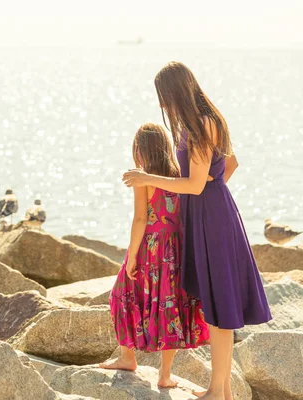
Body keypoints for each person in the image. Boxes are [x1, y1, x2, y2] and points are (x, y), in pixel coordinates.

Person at [123, 61, 272, 400]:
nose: (162, 105)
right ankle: (225, 391)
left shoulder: (203, 124)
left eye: (164, 97)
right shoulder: (200, 123)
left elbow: (192, 184)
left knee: (220, 309)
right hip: (208, 214)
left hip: (212, 221)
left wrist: (150, 179)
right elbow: (230, 163)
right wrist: (212, 186)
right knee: (215, 306)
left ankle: (218, 393)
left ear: (176, 91)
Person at [101, 123, 209, 388]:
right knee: (168, 305)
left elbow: (140, 219)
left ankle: (128, 358)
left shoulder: (144, 178)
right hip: (175, 249)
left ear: (141, 149)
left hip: (150, 246)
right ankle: (165, 375)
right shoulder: (179, 175)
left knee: (121, 296)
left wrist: (132, 255)